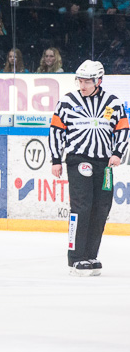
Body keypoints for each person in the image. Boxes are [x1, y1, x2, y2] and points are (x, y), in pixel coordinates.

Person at [49, 60, 128, 276]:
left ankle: (91, 255)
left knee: (101, 208)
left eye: (87, 81)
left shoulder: (113, 103)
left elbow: (122, 129)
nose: (82, 85)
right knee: (82, 208)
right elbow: (56, 131)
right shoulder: (67, 102)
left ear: (98, 81)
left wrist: (117, 153)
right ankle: (76, 258)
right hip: (78, 160)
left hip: (104, 163)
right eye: (80, 80)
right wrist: (56, 159)